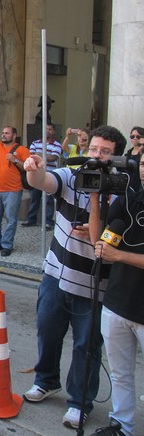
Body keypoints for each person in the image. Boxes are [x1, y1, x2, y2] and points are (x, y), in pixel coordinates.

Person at [21, 125, 127, 429]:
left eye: (105, 152)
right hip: (57, 271)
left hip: (96, 283)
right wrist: (33, 169)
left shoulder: (122, 187)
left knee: (87, 344)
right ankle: (46, 380)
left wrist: (102, 227)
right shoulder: (72, 175)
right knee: (48, 329)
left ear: (116, 157)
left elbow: (121, 231)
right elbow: (43, 181)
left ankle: (80, 401)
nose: (96, 157)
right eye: (93, 149)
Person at [86, 152, 144, 436]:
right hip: (117, 303)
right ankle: (123, 426)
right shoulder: (129, 200)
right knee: (121, 374)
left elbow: (114, 253)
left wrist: (119, 256)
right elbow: (99, 241)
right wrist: (96, 197)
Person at [0, 123, 30, 256]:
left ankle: (7, 244)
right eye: (3, 133)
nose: (4, 135)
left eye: (7, 133)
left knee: (11, 219)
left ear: (14, 135)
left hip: (13, 190)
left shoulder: (22, 149)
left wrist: (15, 160)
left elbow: (28, 167)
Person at [22, 122, 62, 230]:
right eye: (46, 129)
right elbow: (31, 156)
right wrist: (43, 156)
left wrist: (39, 155)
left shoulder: (57, 145)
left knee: (49, 200)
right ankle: (31, 219)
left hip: (50, 175)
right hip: (36, 174)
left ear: (53, 131)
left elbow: (53, 158)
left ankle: (49, 221)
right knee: (34, 198)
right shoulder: (35, 143)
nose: (47, 131)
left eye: (50, 129)